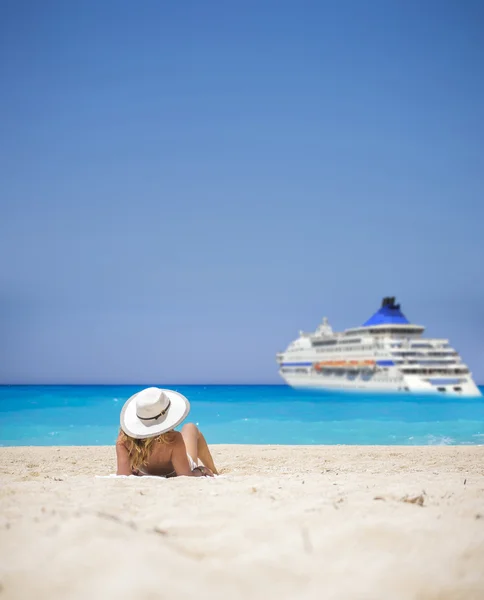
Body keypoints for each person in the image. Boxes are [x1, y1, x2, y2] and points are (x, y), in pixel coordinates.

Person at [116, 387, 218, 477]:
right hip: (178, 468)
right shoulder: (173, 439)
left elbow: (123, 475)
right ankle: (213, 471)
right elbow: (186, 475)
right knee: (190, 427)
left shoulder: (124, 439)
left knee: (189, 428)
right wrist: (200, 470)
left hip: (144, 472)